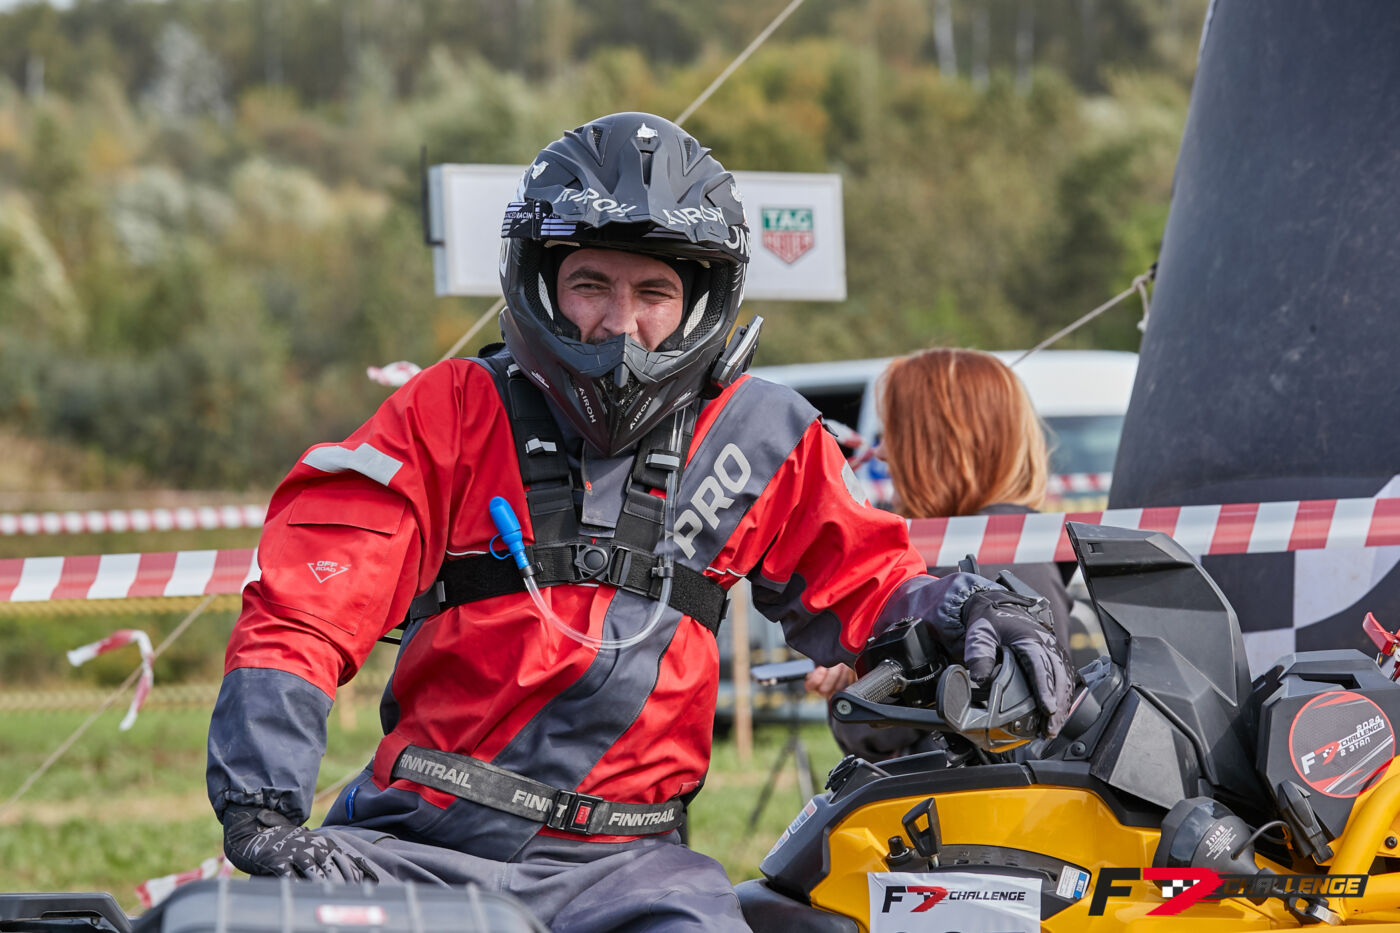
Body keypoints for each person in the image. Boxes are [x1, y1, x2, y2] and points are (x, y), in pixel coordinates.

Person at [205, 112, 1078, 932]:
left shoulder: (762, 436)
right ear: (542, 283)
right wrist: (261, 806)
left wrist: (965, 607)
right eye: (591, 284)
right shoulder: (448, 412)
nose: (620, 325)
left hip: (635, 870)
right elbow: (308, 604)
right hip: (422, 840)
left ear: (701, 299)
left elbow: (869, 580)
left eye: (653, 291)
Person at [806, 347, 1077, 762]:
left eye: (894, 435)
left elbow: (876, 730)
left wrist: (849, 685)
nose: (880, 453)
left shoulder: (939, 568)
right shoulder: (1032, 543)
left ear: (938, 446)